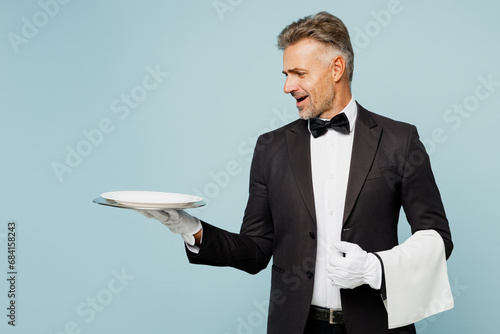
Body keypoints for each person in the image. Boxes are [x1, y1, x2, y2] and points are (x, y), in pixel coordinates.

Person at [137, 12, 453, 334]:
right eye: (286, 74)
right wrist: (191, 229)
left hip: (377, 326)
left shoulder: (400, 140)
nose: (287, 86)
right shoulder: (270, 148)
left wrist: (375, 269)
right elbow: (256, 250)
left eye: (299, 73)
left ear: (336, 69)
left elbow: (438, 239)